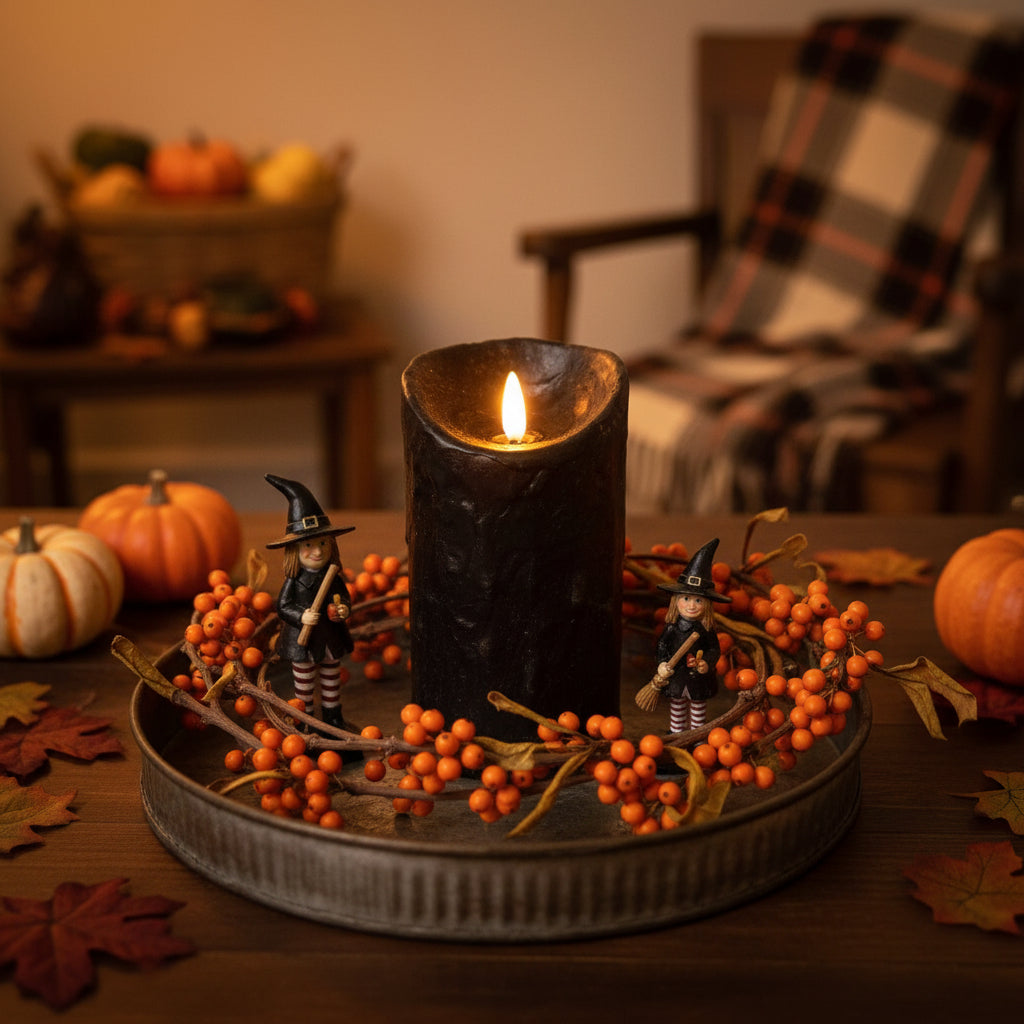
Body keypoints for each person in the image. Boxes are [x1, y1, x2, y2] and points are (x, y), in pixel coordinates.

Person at [265, 474, 355, 728]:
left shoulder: (333, 577)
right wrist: (302, 615)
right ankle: (304, 717)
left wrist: (342, 609)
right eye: (308, 545)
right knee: (303, 682)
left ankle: (332, 714)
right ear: (294, 550)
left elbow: (345, 598)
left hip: (330, 638)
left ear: (332, 544)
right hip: (302, 642)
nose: (317, 551)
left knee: (331, 678)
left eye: (323, 543)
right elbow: (283, 606)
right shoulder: (294, 581)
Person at [654, 538, 730, 734]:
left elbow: (714, 649)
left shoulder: (706, 630)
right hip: (677, 677)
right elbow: (662, 646)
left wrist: (706, 663)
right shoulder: (672, 628)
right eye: (686, 598)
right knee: (677, 705)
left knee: (698, 707)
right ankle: (677, 734)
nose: (691, 605)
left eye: (698, 600)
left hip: (698, 679)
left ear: (707, 605)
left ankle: (697, 735)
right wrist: (662, 664)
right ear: (676, 601)